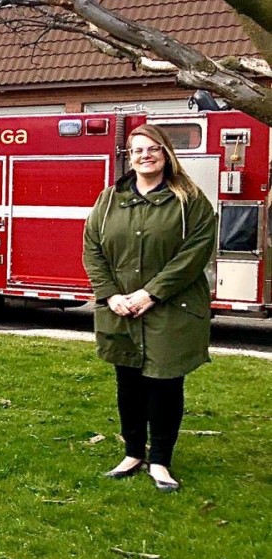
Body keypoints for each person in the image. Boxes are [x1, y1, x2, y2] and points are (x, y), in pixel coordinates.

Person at [83, 123, 216, 493]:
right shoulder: (110, 198)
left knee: (164, 383)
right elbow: (92, 247)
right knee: (128, 381)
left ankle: (160, 460)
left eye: (153, 149)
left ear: (166, 153)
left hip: (170, 309)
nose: (146, 155)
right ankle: (132, 452)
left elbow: (195, 254)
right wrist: (110, 295)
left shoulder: (189, 200)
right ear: (129, 156)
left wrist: (152, 294)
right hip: (120, 308)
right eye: (138, 150)